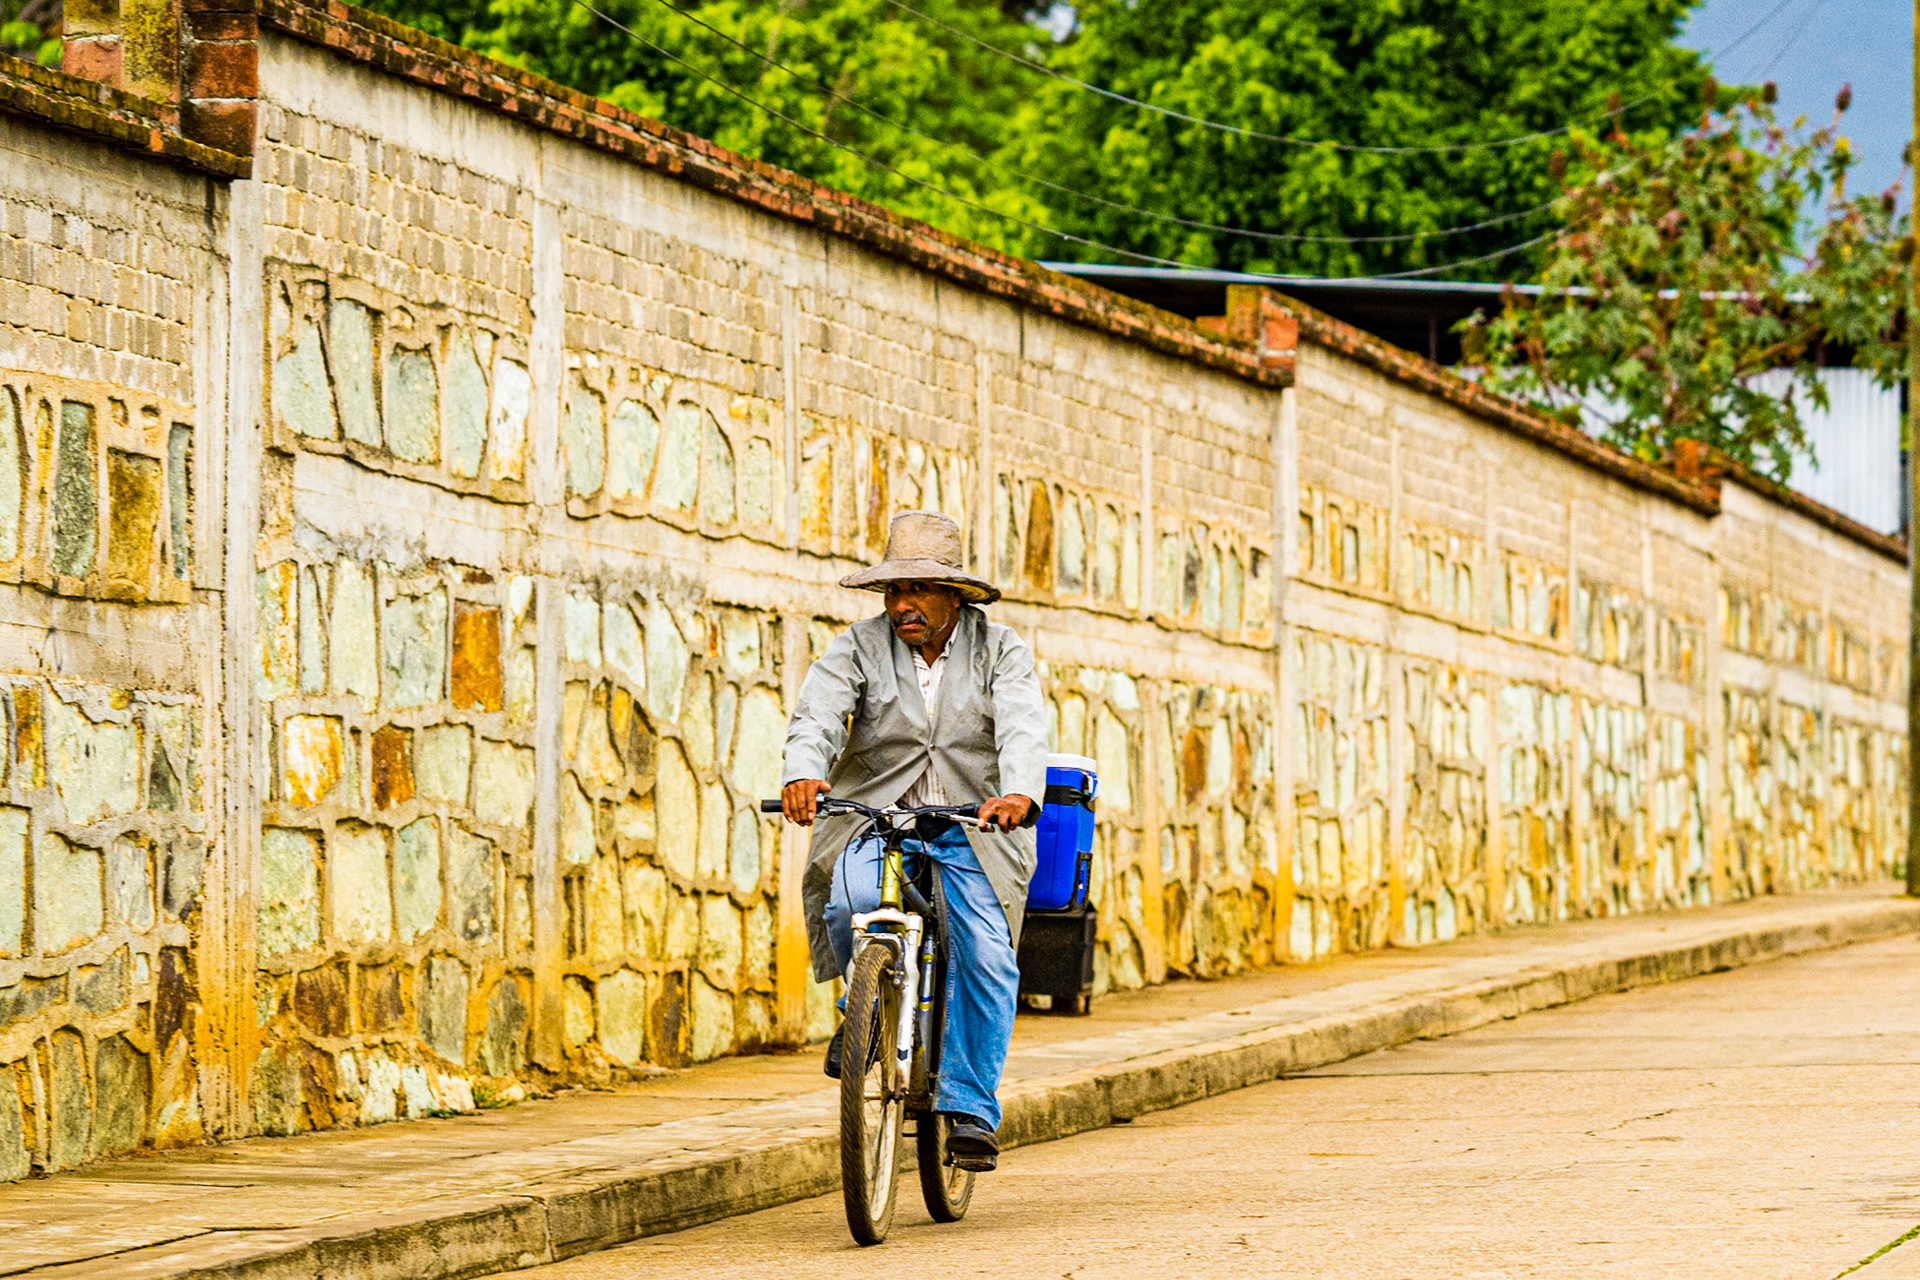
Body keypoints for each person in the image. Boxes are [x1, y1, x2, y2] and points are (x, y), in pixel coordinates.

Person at [779, 509, 1048, 1173]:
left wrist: (1017, 793)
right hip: (877, 818)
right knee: (849, 905)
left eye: (919, 590)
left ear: (954, 595)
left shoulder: (1000, 649)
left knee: (985, 954)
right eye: (895, 591)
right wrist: (804, 774)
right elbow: (817, 714)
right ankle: (863, 1010)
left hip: (975, 828)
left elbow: (1020, 725)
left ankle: (970, 1106)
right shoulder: (858, 647)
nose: (903, 604)